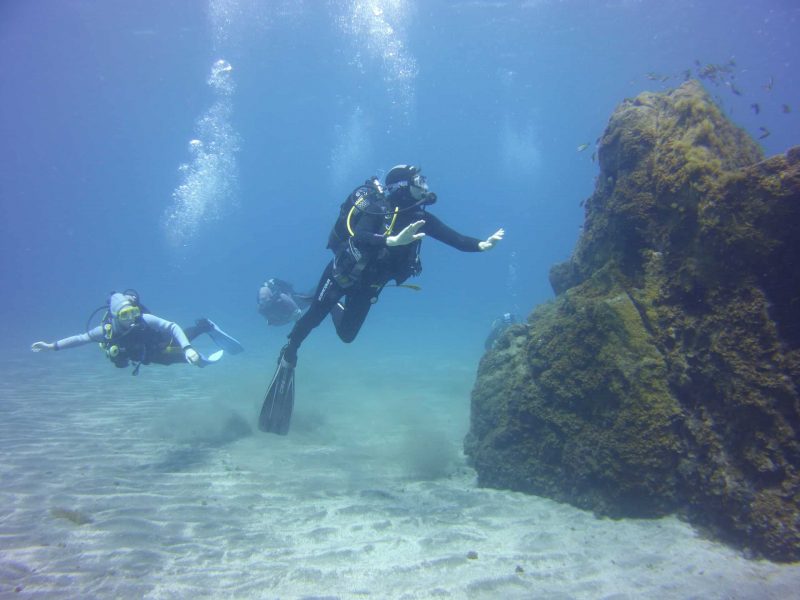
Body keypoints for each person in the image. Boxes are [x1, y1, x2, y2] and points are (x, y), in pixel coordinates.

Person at [259, 164, 504, 434]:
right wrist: (391, 241)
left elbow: (453, 237)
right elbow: (360, 234)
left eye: (424, 180)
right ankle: (290, 353)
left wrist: (480, 245)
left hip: (368, 287)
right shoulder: (377, 208)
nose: (424, 185)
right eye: (418, 180)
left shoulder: (420, 218)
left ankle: (329, 306)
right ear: (402, 187)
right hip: (343, 275)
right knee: (312, 317)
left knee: (347, 335)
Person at [31, 290, 243, 375]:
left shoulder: (143, 319)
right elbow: (81, 338)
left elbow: (172, 327)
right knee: (172, 355)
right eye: (125, 314)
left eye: (132, 312)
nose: (131, 317)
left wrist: (188, 348)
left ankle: (204, 334)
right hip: (150, 355)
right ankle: (203, 328)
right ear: (114, 316)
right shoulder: (106, 331)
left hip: (159, 345)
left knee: (191, 357)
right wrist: (53, 346)